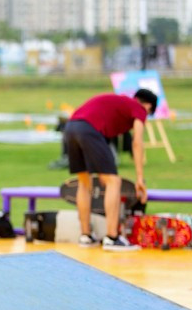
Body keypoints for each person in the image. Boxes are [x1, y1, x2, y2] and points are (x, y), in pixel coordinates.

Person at [63, 89, 158, 252]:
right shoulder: (139, 108)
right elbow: (137, 142)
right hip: (88, 129)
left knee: (84, 183)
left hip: (71, 128)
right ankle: (112, 237)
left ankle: (86, 236)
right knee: (114, 181)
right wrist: (140, 178)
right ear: (148, 106)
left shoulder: (121, 104)